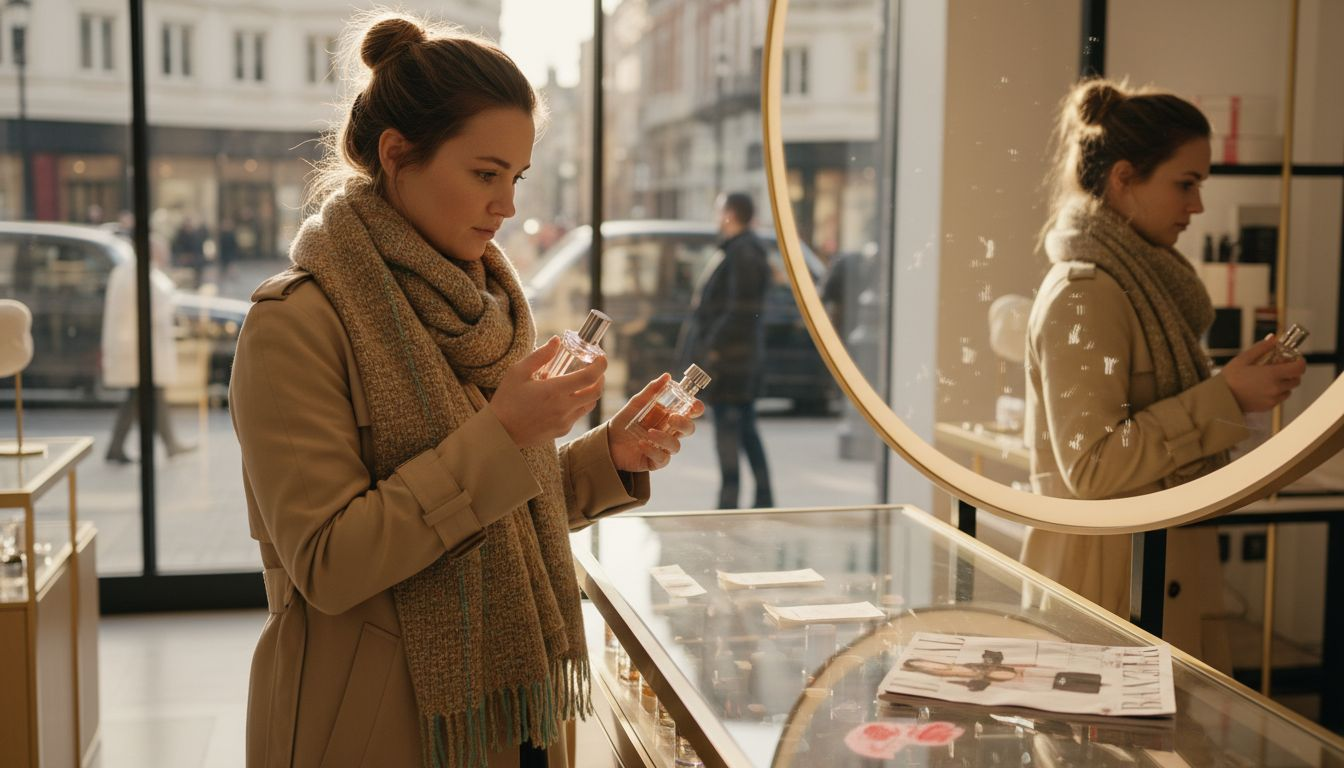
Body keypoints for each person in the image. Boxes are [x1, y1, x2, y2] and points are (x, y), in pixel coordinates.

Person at [228, 14, 700, 768]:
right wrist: (506, 432)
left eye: (515, 178)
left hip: (514, 715)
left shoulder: (485, 311)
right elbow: (329, 562)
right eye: (485, 174)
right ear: (396, 156)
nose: (506, 205)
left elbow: (505, 507)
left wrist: (610, 455)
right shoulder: (296, 325)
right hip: (377, 728)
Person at [1021, 79, 1305, 669]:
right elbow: (1092, 468)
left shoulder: (1139, 284)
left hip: (1151, 577)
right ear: (1124, 178)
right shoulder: (1086, 295)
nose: (1196, 207)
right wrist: (1225, 396)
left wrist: (1231, 393)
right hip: (1109, 596)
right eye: (1185, 184)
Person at [682, 192, 774, 508]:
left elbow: (740, 311)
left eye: (719, 210)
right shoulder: (742, 251)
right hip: (737, 362)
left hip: (732, 366)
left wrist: (713, 349)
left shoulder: (742, 254)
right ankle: (761, 499)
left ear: (730, 214)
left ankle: (729, 503)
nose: (716, 216)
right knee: (744, 431)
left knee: (730, 436)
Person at [102, 234, 194, 463]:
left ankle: (158, 444)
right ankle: (124, 447)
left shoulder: (131, 272)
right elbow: (156, 308)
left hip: (137, 348)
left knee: (146, 396)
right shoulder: (138, 274)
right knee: (141, 396)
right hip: (139, 349)